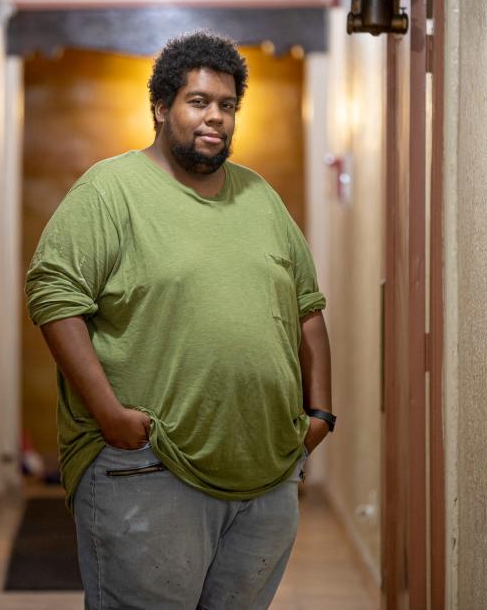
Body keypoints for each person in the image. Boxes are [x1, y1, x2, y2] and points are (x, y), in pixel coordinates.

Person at [25, 30, 335, 609]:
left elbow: (307, 308)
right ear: (162, 108)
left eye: (227, 105)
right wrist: (109, 414)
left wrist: (320, 414)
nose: (214, 117)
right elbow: (54, 297)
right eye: (198, 102)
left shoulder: (259, 196)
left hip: (265, 476)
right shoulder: (110, 190)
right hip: (149, 468)